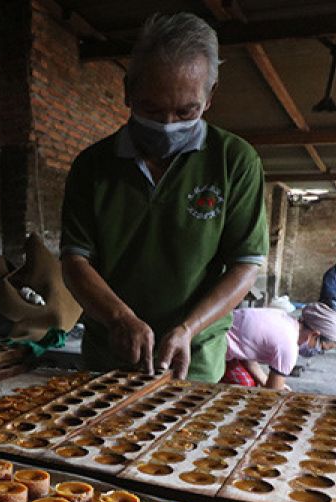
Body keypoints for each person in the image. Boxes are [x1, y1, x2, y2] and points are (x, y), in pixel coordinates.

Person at [59, 13, 268, 382]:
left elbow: (245, 265)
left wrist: (189, 327)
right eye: (151, 109)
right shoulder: (93, 166)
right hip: (111, 349)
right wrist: (119, 317)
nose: (168, 124)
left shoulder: (234, 161)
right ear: (127, 90)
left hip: (193, 354)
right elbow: (76, 261)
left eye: (185, 110)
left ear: (210, 96)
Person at [222, 303, 336, 389]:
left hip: (224, 335)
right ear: (314, 334)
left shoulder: (284, 318)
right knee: (245, 386)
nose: (318, 352)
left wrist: (265, 380)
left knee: (254, 381)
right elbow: (271, 395)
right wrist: (275, 386)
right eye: (321, 348)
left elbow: (247, 352)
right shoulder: (289, 346)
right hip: (215, 343)